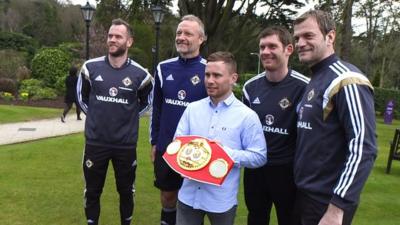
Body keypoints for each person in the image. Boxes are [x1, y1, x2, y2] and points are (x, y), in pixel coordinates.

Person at [292, 10, 377, 225]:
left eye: (308, 36)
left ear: (330, 37)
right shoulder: (315, 79)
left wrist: (337, 208)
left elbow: (363, 148)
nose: (300, 43)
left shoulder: (347, 80)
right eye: (297, 38)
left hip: (326, 204)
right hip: (303, 196)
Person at [174, 51, 267, 225]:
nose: (210, 80)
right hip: (188, 196)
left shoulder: (246, 116)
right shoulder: (192, 109)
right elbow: (177, 143)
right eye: (207, 75)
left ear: (233, 78)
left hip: (220, 200)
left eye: (217, 75)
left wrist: (224, 153)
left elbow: (259, 156)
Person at [76, 18, 153, 225]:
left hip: (125, 145)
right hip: (95, 142)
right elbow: (82, 98)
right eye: (110, 36)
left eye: (118, 36)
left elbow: (147, 102)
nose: (112, 39)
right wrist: (97, 117)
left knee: (127, 192)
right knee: (92, 191)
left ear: (129, 42)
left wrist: (125, 116)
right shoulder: (90, 68)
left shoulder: (141, 74)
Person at [242, 26, 309, 225]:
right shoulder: (250, 87)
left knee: (289, 220)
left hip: (287, 172)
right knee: (256, 218)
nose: (265, 52)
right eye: (262, 47)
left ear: (289, 49)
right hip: (255, 169)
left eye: (272, 46)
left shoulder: (305, 87)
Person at [150, 15, 208, 225]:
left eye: (188, 34)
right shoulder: (163, 68)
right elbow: (156, 109)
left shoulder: (209, 70)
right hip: (167, 149)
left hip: (197, 152)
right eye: (179, 33)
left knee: (194, 203)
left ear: (201, 38)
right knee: (167, 197)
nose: (181, 37)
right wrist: (155, 142)